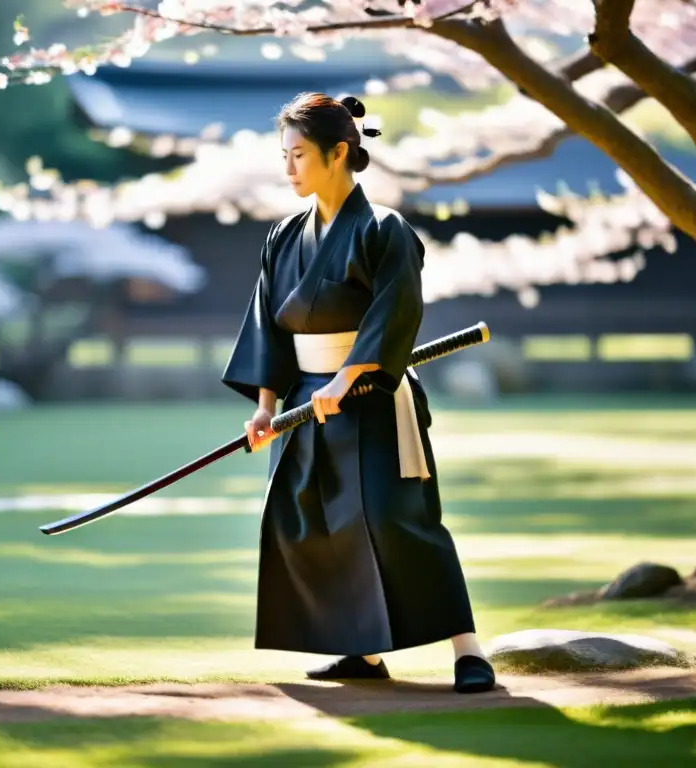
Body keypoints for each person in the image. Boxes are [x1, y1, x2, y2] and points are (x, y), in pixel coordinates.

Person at [221, 92, 496, 694]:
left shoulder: (384, 230)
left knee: (396, 521)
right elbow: (268, 325)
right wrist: (266, 408)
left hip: (371, 396)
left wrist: (348, 378)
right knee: (311, 522)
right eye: (284, 155)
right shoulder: (283, 237)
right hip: (304, 401)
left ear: (338, 151)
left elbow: (395, 310)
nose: (288, 168)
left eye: (299, 155)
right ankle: (362, 651)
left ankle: (468, 650)